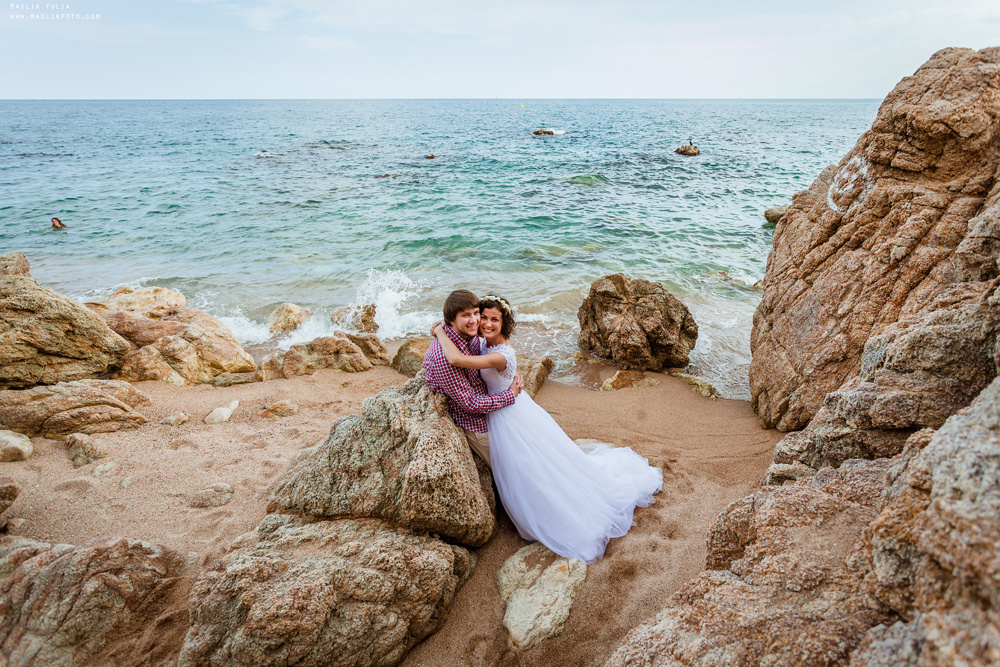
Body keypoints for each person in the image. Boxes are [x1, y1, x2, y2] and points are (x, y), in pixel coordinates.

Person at [431, 294, 662, 563]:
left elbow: (457, 360)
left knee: (530, 468)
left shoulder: (499, 354)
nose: (485, 323)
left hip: (509, 412)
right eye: (483, 317)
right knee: (537, 461)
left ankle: (557, 512)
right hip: (503, 411)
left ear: (505, 323)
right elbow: (463, 346)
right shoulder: (481, 342)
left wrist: (438, 331)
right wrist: (443, 329)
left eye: (494, 319)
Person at [422, 289, 523, 468]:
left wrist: (508, 374)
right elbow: (471, 404)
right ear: (451, 320)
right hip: (474, 421)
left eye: (476, 313)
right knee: (508, 467)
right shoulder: (444, 358)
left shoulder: (474, 335)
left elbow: (500, 351)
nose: (475, 320)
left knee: (525, 455)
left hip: (498, 409)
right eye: (465, 315)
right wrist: (510, 394)